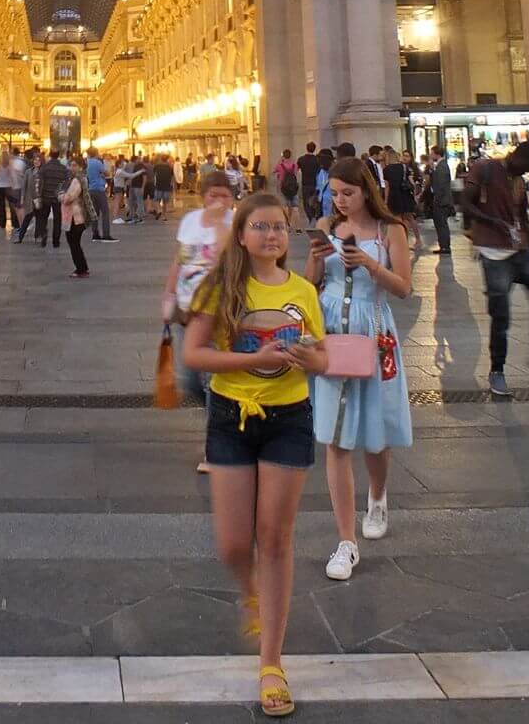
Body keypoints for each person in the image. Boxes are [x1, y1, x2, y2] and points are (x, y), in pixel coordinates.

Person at [184, 193, 328, 717]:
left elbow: (323, 355)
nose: (271, 235)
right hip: (230, 418)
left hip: (290, 419)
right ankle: (251, 595)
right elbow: (194, 354)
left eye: (280, 227)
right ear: (241, 235)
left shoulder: (303, 291)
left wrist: (309, 355)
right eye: (261, 226)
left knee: (275, 538)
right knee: (231, 545)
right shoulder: (219, 288)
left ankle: (272, 662)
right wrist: (253, 360)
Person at [307, 157, 413, 584]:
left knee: (375, 430)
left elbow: (404, 288)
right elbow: (310, 281)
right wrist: (317, 258)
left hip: (373, 331)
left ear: (367, 190)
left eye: (347, 193)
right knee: (334, 435)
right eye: (334, 193)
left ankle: (379, 493)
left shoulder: (391, 231)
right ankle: (346, 541)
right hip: (332, 332)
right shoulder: (327, 225)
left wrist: (369, 264)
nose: (340, 201)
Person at [462, 141, 529, 398]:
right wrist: (491, 221)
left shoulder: (519, 180)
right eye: (526, 165)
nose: (527, 170)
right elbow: (465, 204)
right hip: (493, 252)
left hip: (521, 251)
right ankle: (497, 370)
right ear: (516, 156)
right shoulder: (484, 168)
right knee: (501, 316)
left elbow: (524, 219)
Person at [163, 170, 236, 472]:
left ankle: (216, 446)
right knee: (192, 378)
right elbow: (180, 259)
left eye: (223, 195)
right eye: (212, 195)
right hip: (188, 308)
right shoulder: (190, 221)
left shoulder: (235, 223)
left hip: (219, 310)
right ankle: (227, 426)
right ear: (202, 195)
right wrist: (168, 293)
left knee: (213, 382)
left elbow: (225, 258)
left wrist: (220, 223)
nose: (217, 201)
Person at [382, 146, 420, 250]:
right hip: (405, 195)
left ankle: (401, 241)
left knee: (396, 220)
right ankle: (418, 240)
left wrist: (385, 201)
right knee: (410, 218)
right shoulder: (404, 167)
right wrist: (415, 195)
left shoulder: (386, 170)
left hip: (394, 197)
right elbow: (411, 182)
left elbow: (387, 187)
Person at [60, 160, 91, 278]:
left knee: (74, 243)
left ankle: (81, 269)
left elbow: (69, 197)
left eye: (74, 165)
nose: (71, 168)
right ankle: (82, 267)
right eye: (71, 165)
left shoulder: (77, 180)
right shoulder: (81, 179)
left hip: (75, 216)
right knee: (75, 243)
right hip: (78, 215)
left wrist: (61, 196)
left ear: (80, 167)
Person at [34, 148, 69, 248]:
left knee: (43, 217)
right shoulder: (63, 168)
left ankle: (44, 233)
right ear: (58, 155)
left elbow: (40, 182)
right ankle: (56, 241)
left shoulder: (45, 168)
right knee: (57, 219)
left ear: (50, 155)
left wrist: (39, 195)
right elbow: (67, 182)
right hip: (57, 198)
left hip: (46, 197)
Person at [429, 145, 455, 255]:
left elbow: (441, 186)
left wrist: (437, 199)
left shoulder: (442, 166)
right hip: (441, 199)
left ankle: (445, 246)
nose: (430, 155)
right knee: (440, 224)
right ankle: (443, 245)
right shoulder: (439, 166)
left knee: (441, 224)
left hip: (442, 201)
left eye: (432, 153)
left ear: (436, 153)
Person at [85, 147, 116, 242]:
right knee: (105, 212)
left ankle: (95, 234)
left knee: (95, 213)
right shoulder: (97, 162)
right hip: (99, 188)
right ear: (96, 153)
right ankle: (106, 235)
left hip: (90, 189)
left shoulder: (86, 162)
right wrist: (102, 175)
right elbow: (106, 173)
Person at [296, 143, 320, 230]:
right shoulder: (317, 160)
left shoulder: (301, 159)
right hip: (315, 184)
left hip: (305, 184)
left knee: (306, 203)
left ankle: (310, 218)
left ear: (306, 148)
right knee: (314, 202)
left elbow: (296, 170)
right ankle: (314, 216)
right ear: (314, 149)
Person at [274, 151, 300, 230]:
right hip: (293, 187)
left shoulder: (280, 165)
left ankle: (287, 224)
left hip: (283, 187)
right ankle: (296, 226)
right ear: (290, 156)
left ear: (283, 156)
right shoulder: (294, 165)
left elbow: (274, 171)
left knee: (285, 206)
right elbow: (296, 174)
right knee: (295, 207)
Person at [151, 153, 175, 220]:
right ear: (167, 159)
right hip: (167, 186)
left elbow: (154, 175)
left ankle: (159, 210)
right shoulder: (170, 167)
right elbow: (172, 177)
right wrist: (172, 185)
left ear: (161, 159)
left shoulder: (157, 166)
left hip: (158, 185)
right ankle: (164, 216)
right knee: (165, 202)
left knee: (156, 200)